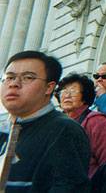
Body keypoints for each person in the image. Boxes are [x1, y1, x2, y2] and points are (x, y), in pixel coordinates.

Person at [0, 51, 90, 191]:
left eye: (28, 77)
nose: (14, 84)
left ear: (49, 87)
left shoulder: (65, 131)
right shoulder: (4, 129)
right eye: (9, 77)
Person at [56, 73, 106, 177]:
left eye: (73, 90)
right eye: (63, 91)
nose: (67, 95)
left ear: (85, 96)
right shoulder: (55, 122)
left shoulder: (97, 122)